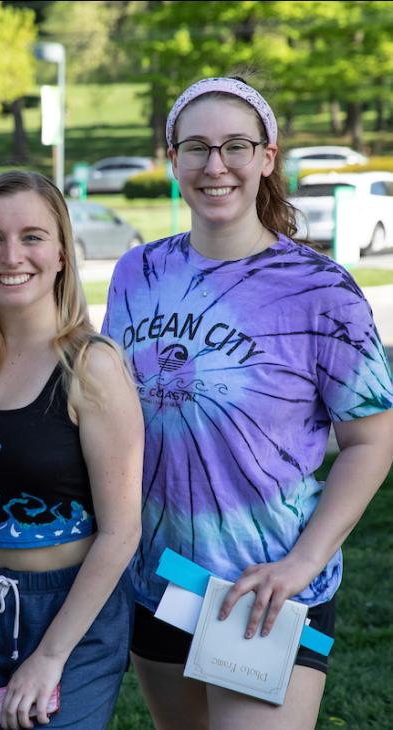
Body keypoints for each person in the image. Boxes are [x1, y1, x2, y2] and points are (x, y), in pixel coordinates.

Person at [101, 76, 393, 730]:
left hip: (266, 591)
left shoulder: (322, 291)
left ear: (267, 157)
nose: (215, 165)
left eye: (236, 145)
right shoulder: (136, 273)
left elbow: (374, 439)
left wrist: (303, 562)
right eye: (196, 147)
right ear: (171, 158)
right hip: (159, 582)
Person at [0, 171, 143, 729]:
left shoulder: (91, 366)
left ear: (60, 254)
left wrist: (50, 656)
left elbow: (122, 532)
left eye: (32, 236)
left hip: (70, 607)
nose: (11, 255)